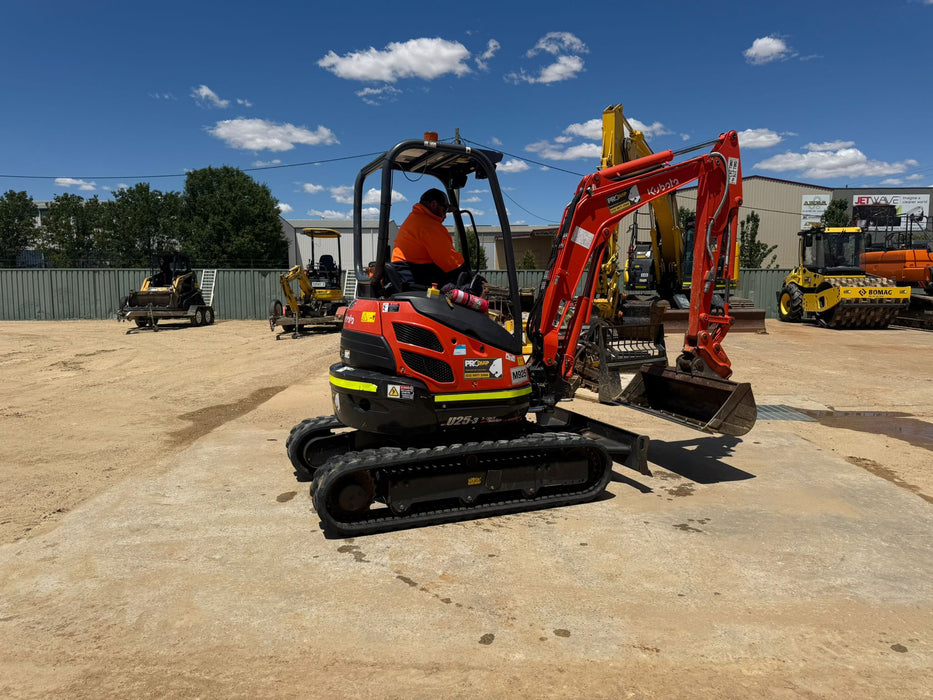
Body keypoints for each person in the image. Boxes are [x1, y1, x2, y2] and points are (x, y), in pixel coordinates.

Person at [391, 188, 468, 290]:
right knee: (463, 289)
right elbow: (451, 263)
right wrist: (468, 275)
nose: (445, 216)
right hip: (413, 276)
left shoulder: (415, 219)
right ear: (434, 205)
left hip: (408, 272)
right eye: (444, 210)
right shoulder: (429, 225)